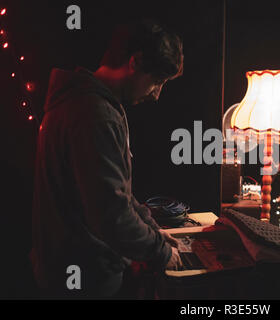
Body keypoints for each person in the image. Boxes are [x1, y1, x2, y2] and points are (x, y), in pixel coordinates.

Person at [31, 19, 184, 298]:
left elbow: (116, 194)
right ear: (135, 63)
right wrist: (160, 252)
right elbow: (112, 216)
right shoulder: (96, 116)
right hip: (85, 282)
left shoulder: (82, 102)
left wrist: (152, 230)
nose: (157, 94)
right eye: (157, 82)